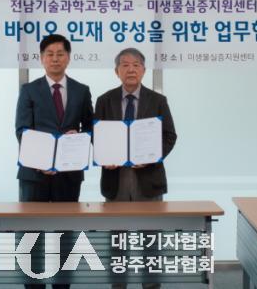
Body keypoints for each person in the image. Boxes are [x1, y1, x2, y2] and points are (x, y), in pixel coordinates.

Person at [15, 34, 93, 289]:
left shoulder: (81, 90)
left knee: (64, 233)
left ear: (68, 57)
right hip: (34, 174)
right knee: (31, 235)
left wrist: (78, 136)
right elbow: (22, 130)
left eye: (60, 54)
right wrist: (40, 159)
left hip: (68, 175)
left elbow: (90, 128)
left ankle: (62, 285)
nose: (55, 59)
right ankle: (33, 285)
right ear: (41, 58)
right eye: (50, 54)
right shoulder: (29, 90)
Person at [94, 48, 177, 289]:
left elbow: (169, 136)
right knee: (117, 240)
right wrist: (103, 155)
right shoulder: (104, 100)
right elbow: (97, 136)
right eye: (125, 65)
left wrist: (152, 157)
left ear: (144, 70)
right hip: (115, 178)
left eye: (136, 65)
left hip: (148, 179)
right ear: (116, 71)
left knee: (151, 240)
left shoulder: (158, 100)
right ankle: (118, 285)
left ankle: (151, 286)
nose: (130, 69)